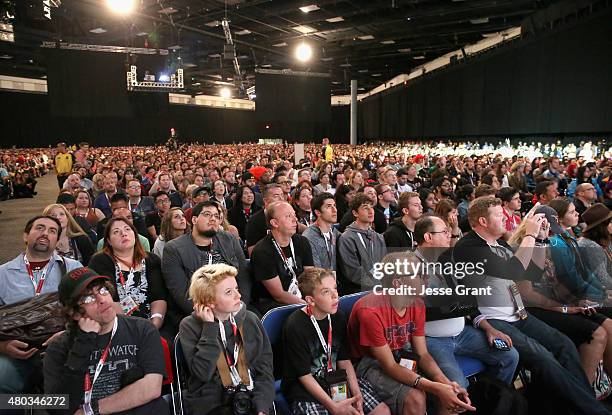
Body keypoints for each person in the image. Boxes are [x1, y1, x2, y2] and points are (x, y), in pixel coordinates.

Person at [453, 196, 610, 415]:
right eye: (499, 215)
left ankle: (579, 405)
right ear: (483, 221)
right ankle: (593, 410)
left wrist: (540, 241)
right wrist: (529, 234)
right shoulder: (469, 247)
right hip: (495, 319)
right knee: (543, 358)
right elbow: (514, 271)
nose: (506, 219)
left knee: (564, 345)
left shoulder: (499, 243)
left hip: (518, 313)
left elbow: (531, 273)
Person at [347, 252, 476, 415]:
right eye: (418, 274)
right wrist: (436, 387)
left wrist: (445, 384)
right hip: (368, 362)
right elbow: (389, 365)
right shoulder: (370, 312)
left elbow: (422, 353)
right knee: (416, 398)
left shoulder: (417, 304)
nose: (426, 278)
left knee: (450, 395)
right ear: (397, 283)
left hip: (401, 354)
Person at [44, 267, 167, 415]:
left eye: (102, 290)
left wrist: (90, 410)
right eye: (88, 298)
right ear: (74, 313)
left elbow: (151, 388)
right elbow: (58, 408)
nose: (102, 300)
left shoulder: (142, 329)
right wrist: (81, 346)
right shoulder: (60, 347)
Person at [415, 216, 519, 389]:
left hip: (463, 332)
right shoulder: (410, 266)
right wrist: (457, 303)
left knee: (510, 356)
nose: (450, 235)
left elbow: (468, 301)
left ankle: (491, 401)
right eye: (444, 232)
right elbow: (420, 310)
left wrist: (489, 328)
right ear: (428, 237)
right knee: (458, 385)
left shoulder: (447, 259)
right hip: (432, 339)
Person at [282, 268, 391, 415]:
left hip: (336, 381)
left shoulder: (338, 316)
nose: (335, 296)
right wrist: (334, 407)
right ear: (310, 300)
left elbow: (344, 360)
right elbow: (304, 376)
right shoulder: (295, 326)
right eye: (326, 292)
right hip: (307, 391)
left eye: (335, 288)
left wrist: (356, 393)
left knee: (382, 411)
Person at [0, 215, 82, 393]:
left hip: (64, 347)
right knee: (3, 382)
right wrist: (3, 346)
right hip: (13, 351)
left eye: (52, 231)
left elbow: (91, 310)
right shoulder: (2, 274)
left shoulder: (73, 269)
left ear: (57, 240)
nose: (45, 233)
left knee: (67, 393)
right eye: (39, 228)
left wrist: (68, 335)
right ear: (25, 236)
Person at [179, 264, 275, 415]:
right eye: (229, 292)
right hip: (212, 405)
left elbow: (265, 371)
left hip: (251, 399)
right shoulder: (190, 326)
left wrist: (261, 407)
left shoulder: (250, 319)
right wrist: (209, 328)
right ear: (209, 301)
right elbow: (203, 374)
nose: (238, 296)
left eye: (236, 288)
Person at [162, 201, 250, 333]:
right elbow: (182, 294)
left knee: (254, 325)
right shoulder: (174, 249)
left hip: (234, 308)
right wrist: (215, 315)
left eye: (216, 215)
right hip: (199, 314)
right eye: (207, 214)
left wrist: (237, 307)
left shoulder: (230, 240)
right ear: (194, 219)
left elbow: (243, 277)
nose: (213, 218)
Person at [88, 217, 168, 334]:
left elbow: (158, 297)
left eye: (127, 229)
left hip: (151, 326)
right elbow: (107, 301)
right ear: (109, 241)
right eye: (116, 231)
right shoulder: (101, 261)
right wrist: (135, 330)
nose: (123, 234)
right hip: (116, 326)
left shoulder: (151, 260)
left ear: (135, 235)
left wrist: (154, 325)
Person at [250, 201, 314, 314]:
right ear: (274, 223)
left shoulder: (302, 241)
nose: (295, 220)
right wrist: (308, 305)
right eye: (288, 216)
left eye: (294, 215)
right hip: (274, 305)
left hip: (302, 296)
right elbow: (279, 295)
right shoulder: (262, 251)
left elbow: (311, 276)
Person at [337, 194, 387, 295]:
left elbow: (385, 265)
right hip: (358, 291)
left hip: (379, 288)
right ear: (355, 213)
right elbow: (353, 273)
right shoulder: (346, 238)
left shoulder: (379, 237)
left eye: (371, 207)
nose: (371, 211)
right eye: (365, 208)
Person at [302, 193, 340, 271]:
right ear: (318, 212)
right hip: (320, 280)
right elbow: (316, 272)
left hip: (335, 280)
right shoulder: (309, 237)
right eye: (329, 206)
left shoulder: (334, 231)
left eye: (334, 205)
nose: (334, 210)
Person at [578, 203, 612, 289]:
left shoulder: (605, 239)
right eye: (610, 222)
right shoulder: (590, 246)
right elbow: (603, 279)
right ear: (602, 226)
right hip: (596, 292)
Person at [246, 184, 286, 256]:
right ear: (266, 201)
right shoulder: (254, 221)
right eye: (276, 196)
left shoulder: (288, 217)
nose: (281, 199)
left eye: (282, 195)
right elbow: (252, 253)